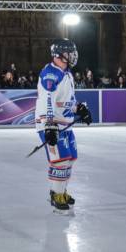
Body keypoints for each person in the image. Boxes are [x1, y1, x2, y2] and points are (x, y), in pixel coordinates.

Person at [36, 39, 91, 213]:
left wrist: (78, 108)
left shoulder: (66, 73)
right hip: (51, 124)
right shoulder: (50, 74)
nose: (73, 55)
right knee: (60, 160)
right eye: (70, 52)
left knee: (71, 157)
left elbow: (67, 100)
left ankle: (61, 191)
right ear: (60, 55)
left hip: (64, 123)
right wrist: (49, 125)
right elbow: (48, 100)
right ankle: (56, 194)